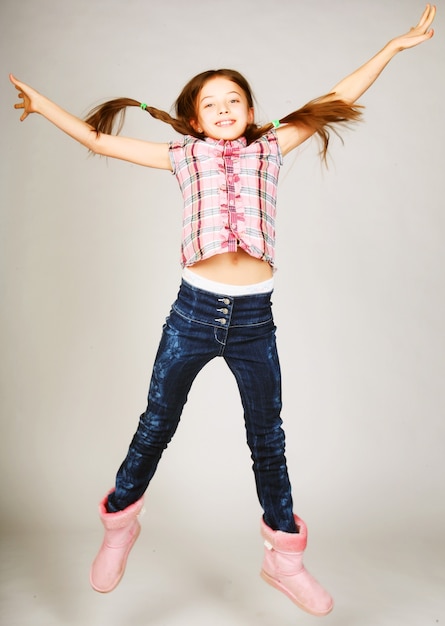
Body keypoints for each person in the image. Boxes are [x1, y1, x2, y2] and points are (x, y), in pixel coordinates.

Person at [10, 4, 435, 617]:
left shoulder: (273, 147)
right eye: (212, 104)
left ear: (253, 112)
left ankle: (283, 559)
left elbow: (337, 95)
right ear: (192, 120)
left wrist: (393, 48)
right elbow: (97, 138)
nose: (226, 109)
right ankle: (120, 526)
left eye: (235, 99)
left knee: (269, 439)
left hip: (255, 322)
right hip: (192, 314)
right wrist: (43, 104)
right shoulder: (181, 157)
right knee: (156, 423)